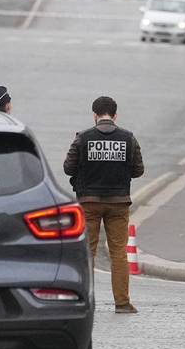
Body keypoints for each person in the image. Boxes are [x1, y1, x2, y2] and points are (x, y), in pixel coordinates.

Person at [62, 96, 145, 314]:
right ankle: (122, 303)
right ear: (115, 115)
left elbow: (68, 168)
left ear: (95, 115)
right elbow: (138, 170)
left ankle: (85, 301)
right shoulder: (128, 138)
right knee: (118, 253)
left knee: (87, 253)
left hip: (89, 202)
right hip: (118, 203)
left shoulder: (83, 138)